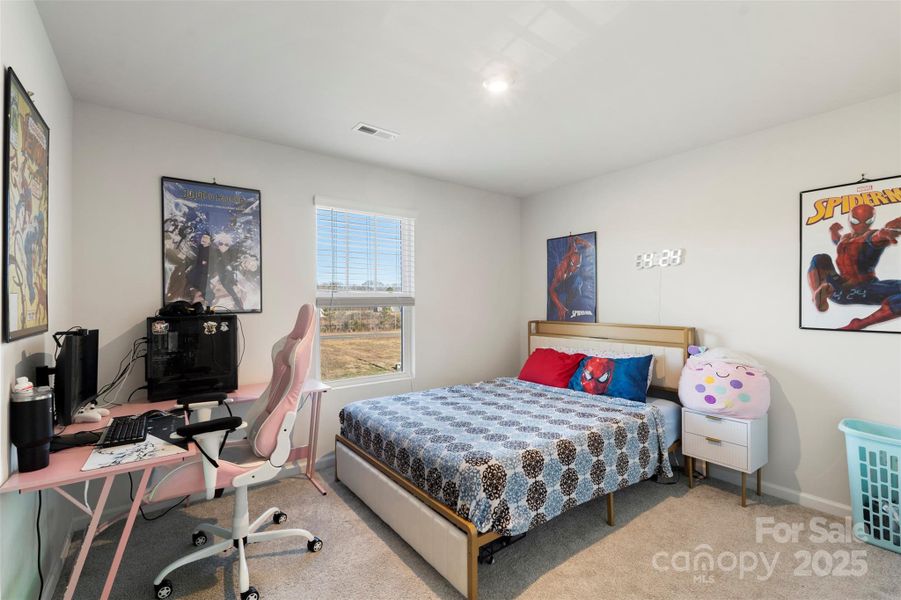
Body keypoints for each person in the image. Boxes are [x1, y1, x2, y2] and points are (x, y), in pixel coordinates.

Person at [808, 204, 901, 330]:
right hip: (858, 290)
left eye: (867, 221)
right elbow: (842, 241)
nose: (861, 225)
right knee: (820, 258)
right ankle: (858, 324)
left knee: (820, 259)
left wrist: (884, 234)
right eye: (856, 221)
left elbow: (874, 238)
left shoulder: (855, 238)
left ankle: (818, 293)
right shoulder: (848, 238)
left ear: (871, 220)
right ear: (849, 219)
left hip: (837, 289)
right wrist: (834, 233)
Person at [549, 235, 594, 321]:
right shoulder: (560, 270)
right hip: (559, 280)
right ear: (569, 262)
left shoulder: (577, 256)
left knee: (579, 282)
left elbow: (578, 241)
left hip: (573, 248)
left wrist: (585, 243)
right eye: (573, 265)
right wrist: (559, 306)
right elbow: (551, 290)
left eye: (577, 266)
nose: (574, 269)